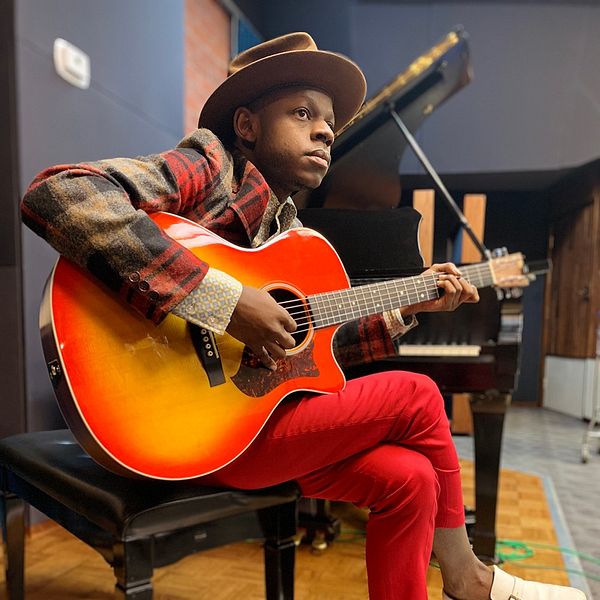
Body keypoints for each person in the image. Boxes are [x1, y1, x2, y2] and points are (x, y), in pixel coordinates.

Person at [21, 32, 586, 600]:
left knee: (411, 479)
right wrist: (226, 303)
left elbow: (319, 354)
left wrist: (407, 306)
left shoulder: (291, 233)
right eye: (302, 113)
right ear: (247, 125)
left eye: (330, 123)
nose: (325, 131)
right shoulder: (210, 166)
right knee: (418, 395)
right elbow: (60, 194)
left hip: (257, 427)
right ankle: (467, 578)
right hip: (182, 428)